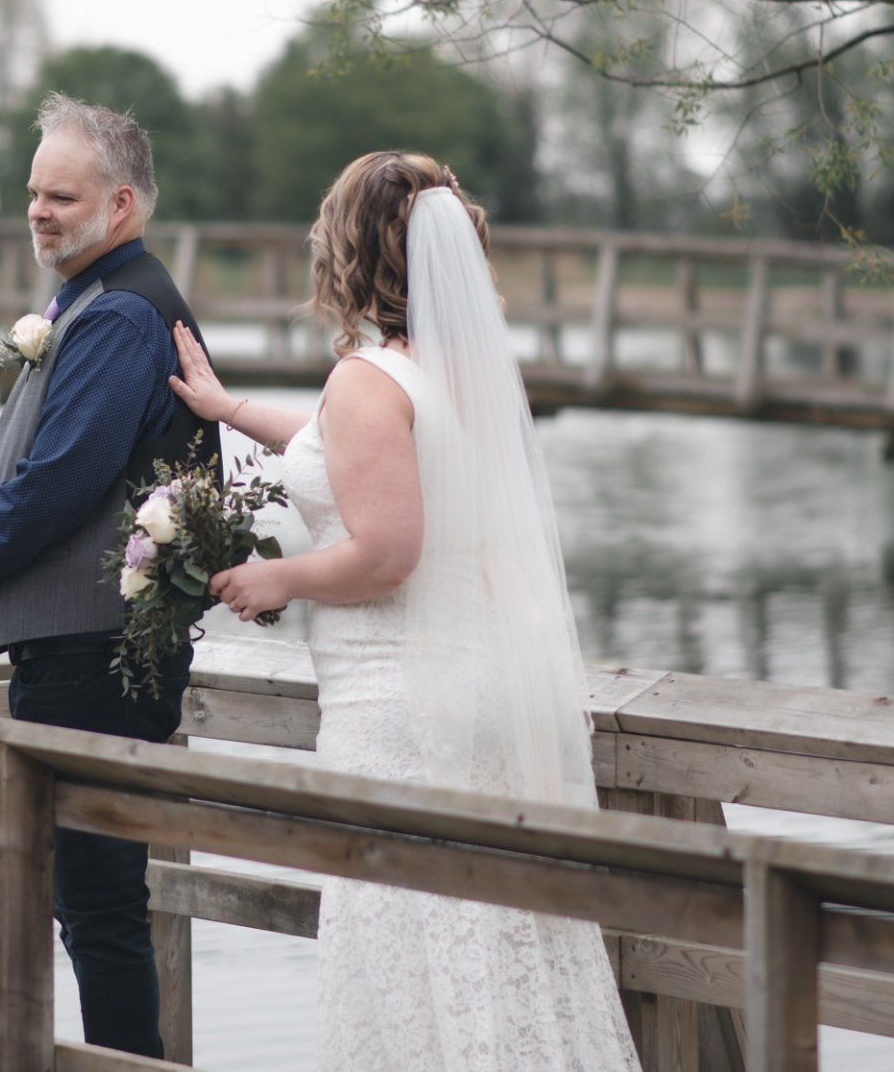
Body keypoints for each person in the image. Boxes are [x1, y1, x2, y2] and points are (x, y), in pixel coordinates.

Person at [168, 150, 643, 1071]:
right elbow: (341, 452)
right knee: (496, 941)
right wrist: (230, 408)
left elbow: (386, 552)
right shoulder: (461, 374)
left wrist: (282, 580)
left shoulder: (365, 379)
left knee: (405, 945)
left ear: (346, 252)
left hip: (403, 709)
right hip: (482, 695)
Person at [0, 92, 214, 1059]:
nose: (40, 211)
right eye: (33, 193)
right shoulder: (92, 300)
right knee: (87, 905)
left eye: (63, 195)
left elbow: (62, 478)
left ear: (122, 204)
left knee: (98, 908)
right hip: (82, 649)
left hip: (99, 659)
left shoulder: (123, 313)